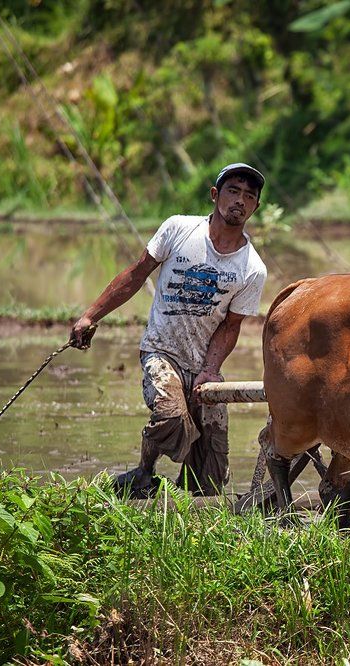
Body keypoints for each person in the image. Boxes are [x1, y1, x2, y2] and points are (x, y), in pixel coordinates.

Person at [70, 163, 268, 498]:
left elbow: (230, 326)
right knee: (171, 416)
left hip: (203, 364)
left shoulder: (252, 268)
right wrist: (91, 315)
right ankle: (144, 473)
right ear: (215, 195)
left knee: (210, 479)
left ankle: (180, 505)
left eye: (249, 196)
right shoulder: (179, 229)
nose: (241, 200)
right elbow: (137, 273)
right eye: (233, 191)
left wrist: (209, 370)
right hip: (162, 351)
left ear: (255, 207)